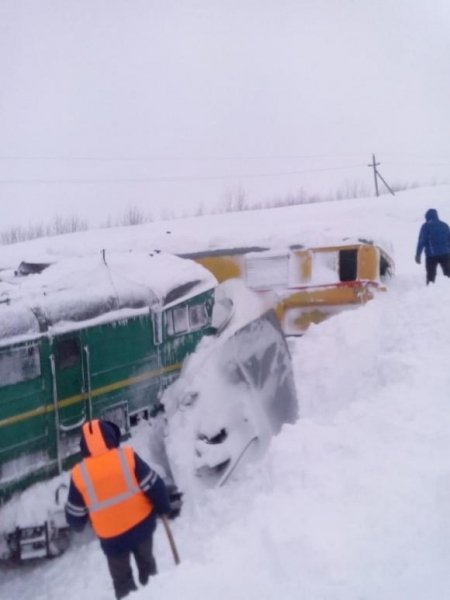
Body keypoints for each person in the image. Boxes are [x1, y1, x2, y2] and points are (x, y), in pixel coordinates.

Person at [65, 419, 171, 599]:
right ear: (111, 437)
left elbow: (75, 516)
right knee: (148, 568)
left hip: (112, 538)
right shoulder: (127, 457)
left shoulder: (79, 474)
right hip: (141, 528)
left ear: (84, 446)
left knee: (122, 582)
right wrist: (163, 507)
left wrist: (79, 524)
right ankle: (154, 594)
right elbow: (154, 485)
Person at [415, 208, 450, 284]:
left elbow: (421, 241)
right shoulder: (445, 225)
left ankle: (430, 291)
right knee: (448, 274)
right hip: (445, 254)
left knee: (431, 277)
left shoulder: (426, 226)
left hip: (431, 256)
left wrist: (418, 255)